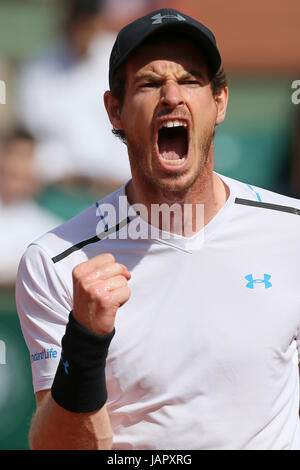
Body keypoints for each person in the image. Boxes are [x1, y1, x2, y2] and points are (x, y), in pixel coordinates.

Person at [16, 8, 300, 450]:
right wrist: (85, 342)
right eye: (149, 83)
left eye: (190, 80)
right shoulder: (55, 260)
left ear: (220, 102)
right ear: (115, 111)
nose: (172, 96)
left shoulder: (291, 233)